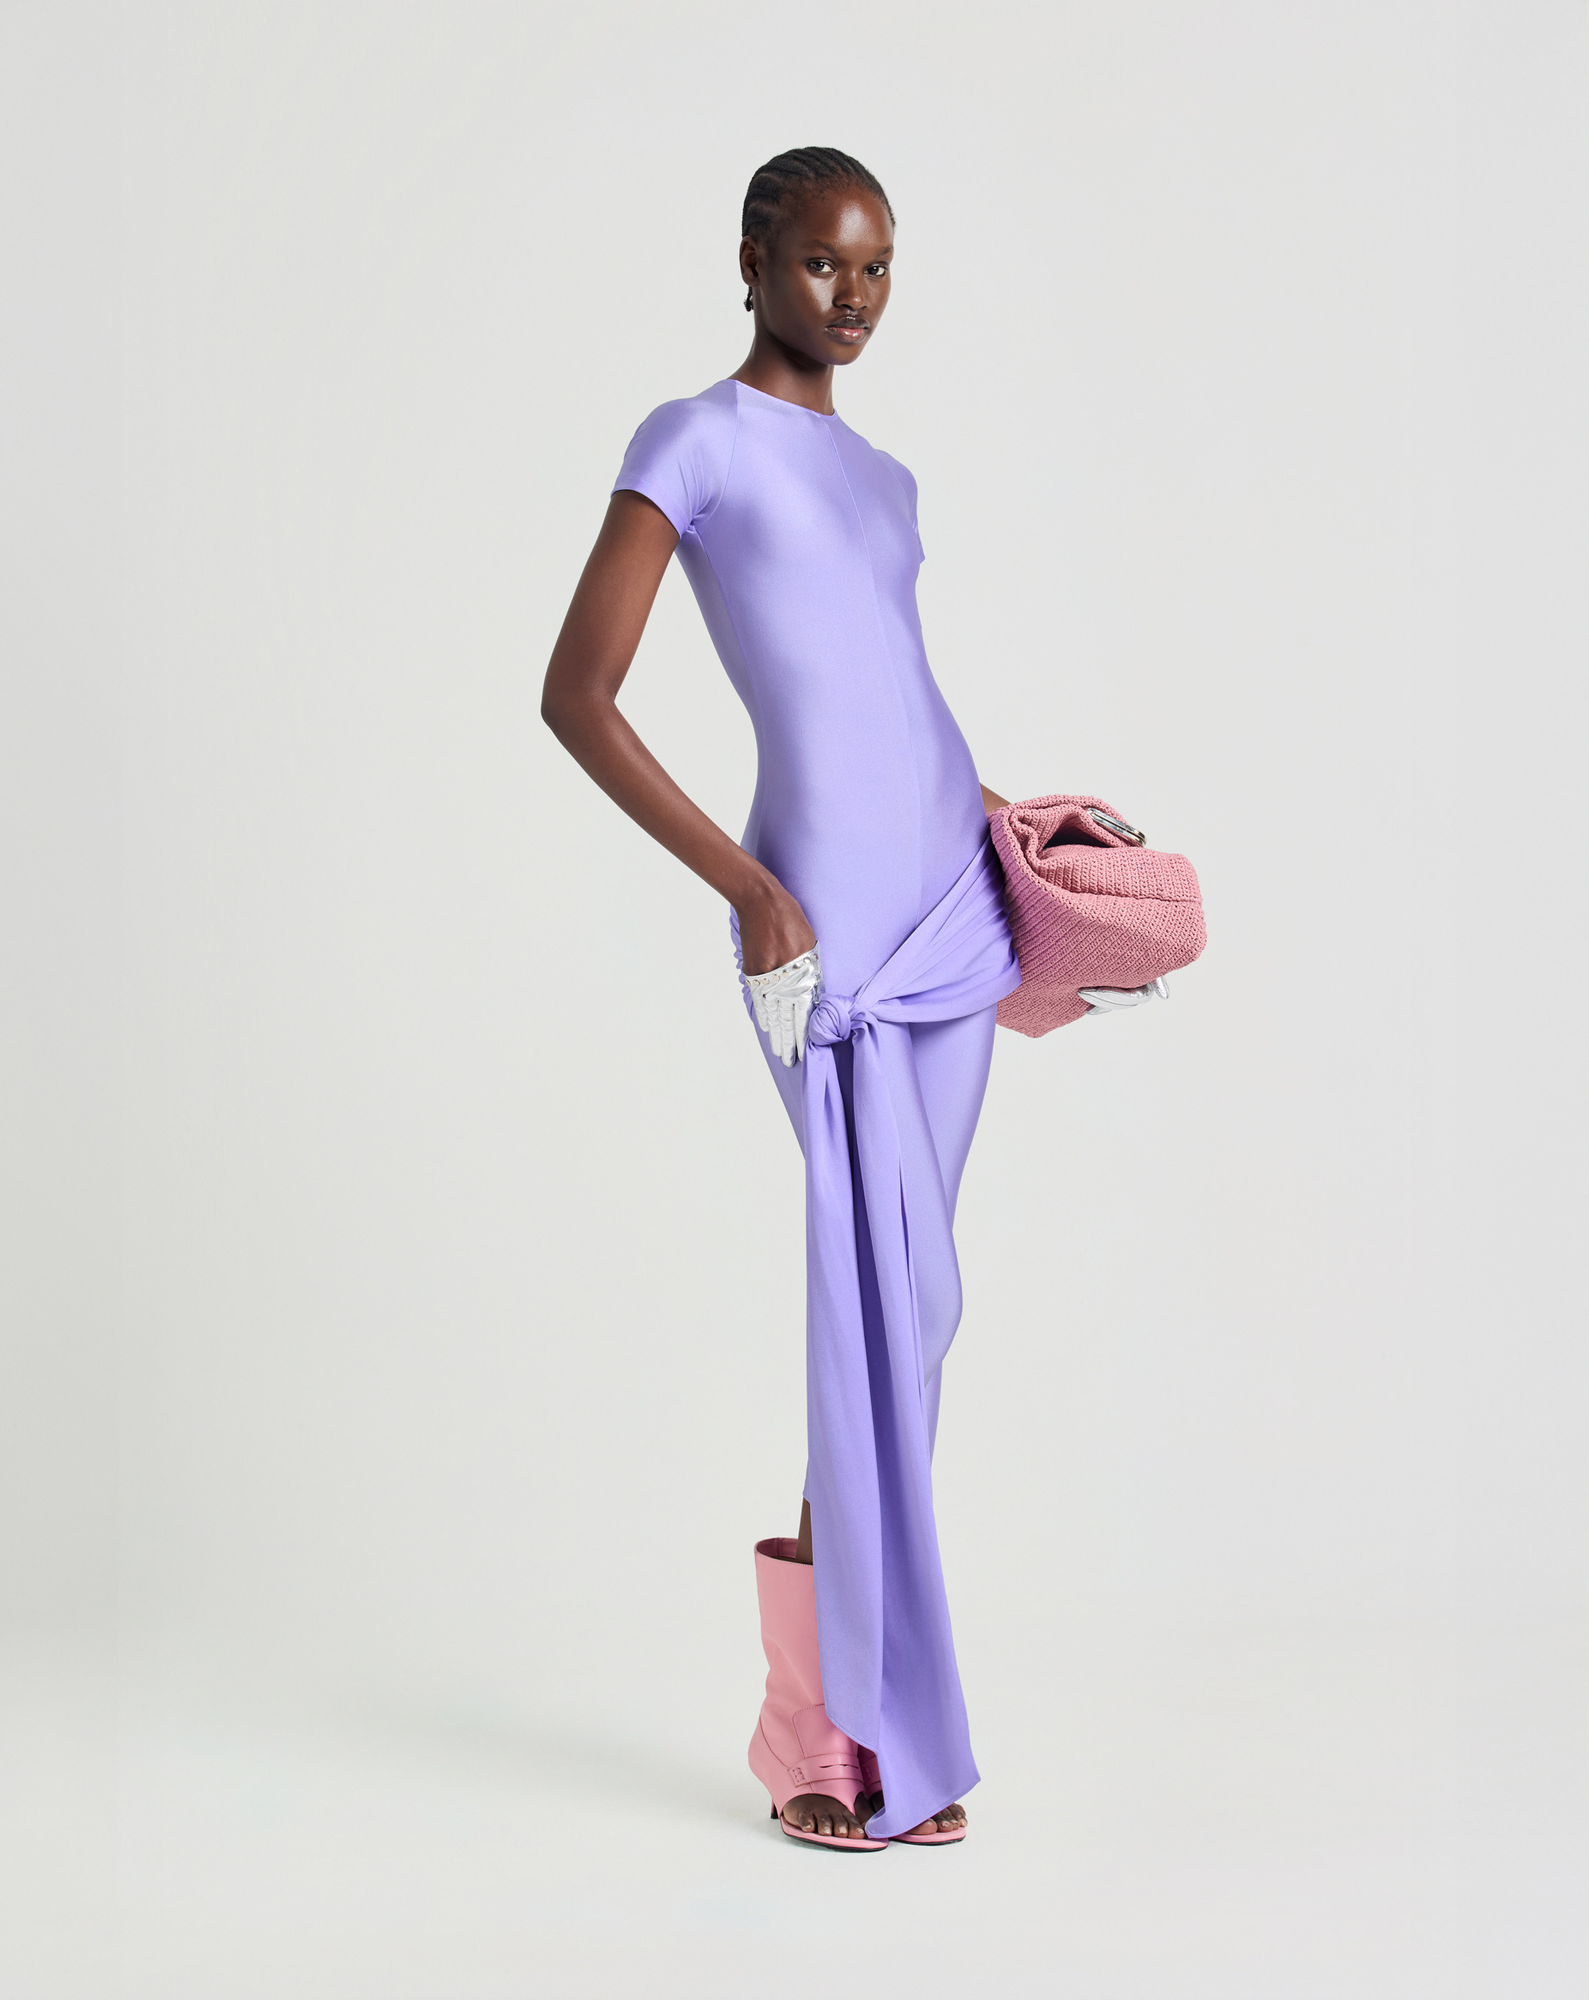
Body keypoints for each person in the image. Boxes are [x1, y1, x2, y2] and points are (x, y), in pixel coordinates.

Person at [542, 147, 1017, 1850]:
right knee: (868, 1294)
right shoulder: (694, 439)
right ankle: (813, 1729)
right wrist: (749, 890)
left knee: (921, 1305)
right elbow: (576, 695)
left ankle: (857, 1708)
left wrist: (1015, 844)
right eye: (823, 264)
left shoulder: (889, 479)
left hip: (954, 909)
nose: (854, 296)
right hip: (815, 920)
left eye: (877, 269)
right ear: (751, 262)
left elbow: (894, 694)